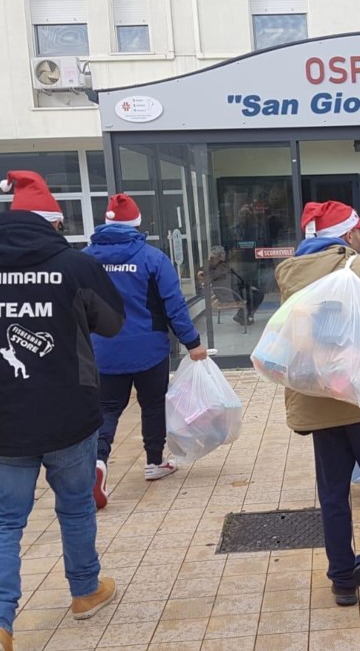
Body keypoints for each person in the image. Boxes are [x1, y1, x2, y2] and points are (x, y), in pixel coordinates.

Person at [0, 171, 126, 651]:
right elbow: (113, 322)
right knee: (76, 507)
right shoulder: (75, 266)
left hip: (2, 418)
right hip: (70, 414)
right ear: (53, 222)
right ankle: (85, 591)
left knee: (5, 521)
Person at [274, 201, 360, 610]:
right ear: (348, 235)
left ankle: (342, 581)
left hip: (318, 396)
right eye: (358, 230)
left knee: (333, 492)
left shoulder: (290, 272)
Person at [84, 193, 208, 510]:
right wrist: (192, 342)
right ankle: (154, 462)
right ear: (138, 224)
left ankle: (98, 462)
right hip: (149, 350)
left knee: (107, 409)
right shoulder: (152, 258)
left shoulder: (85, 260)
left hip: (103, 350)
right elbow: (174, 305)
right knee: (152, 405)